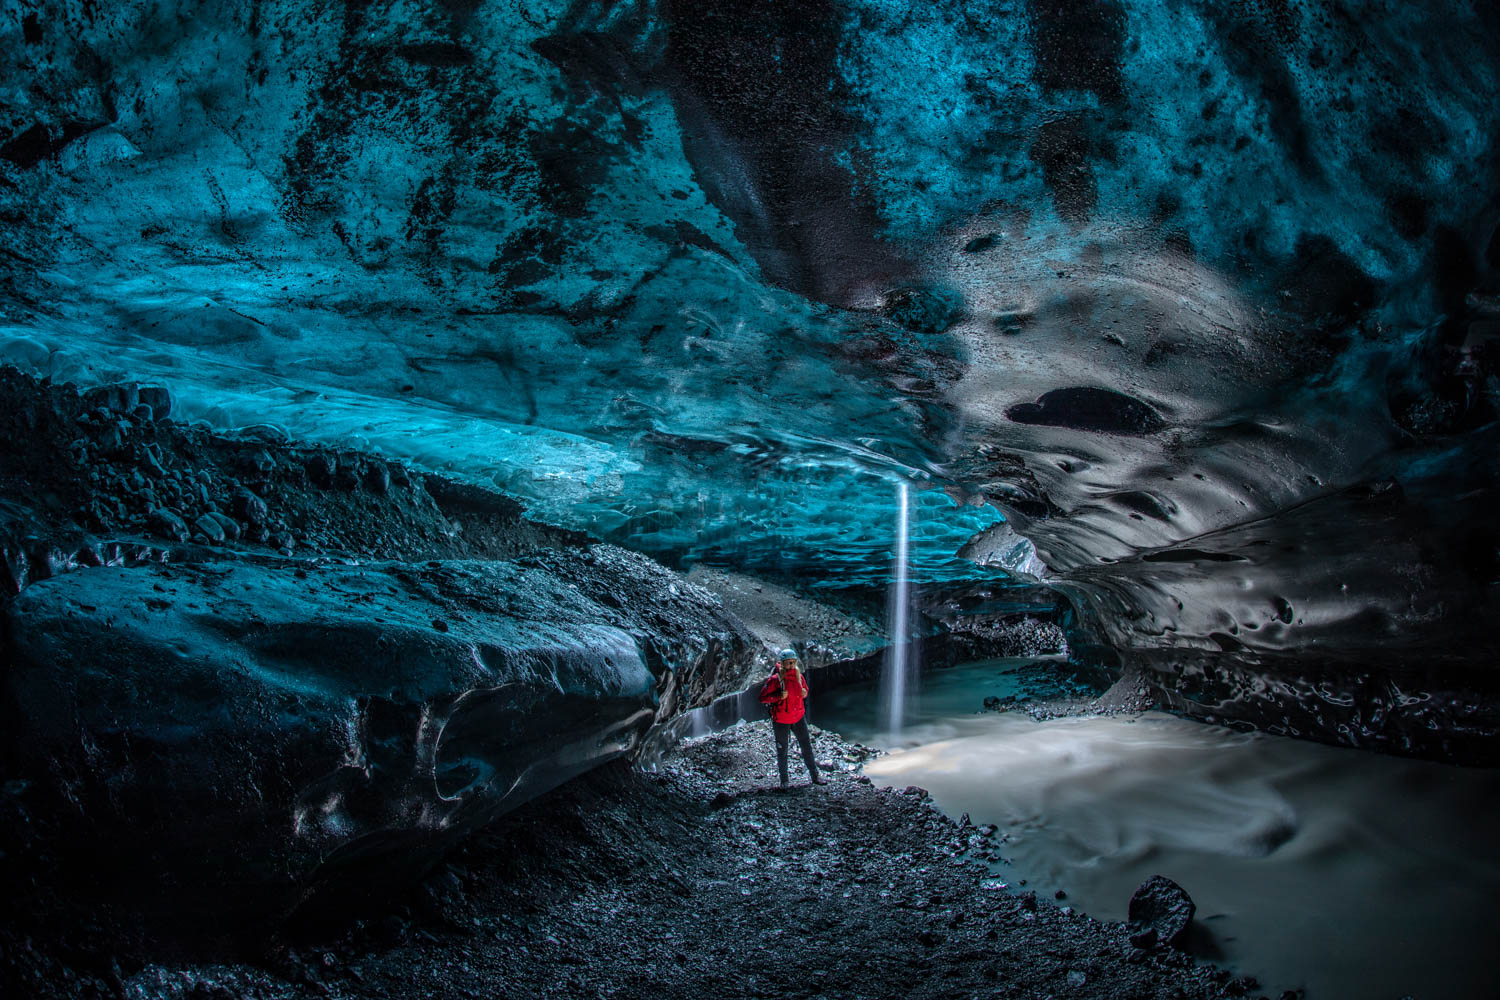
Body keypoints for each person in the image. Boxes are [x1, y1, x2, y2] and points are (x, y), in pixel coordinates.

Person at [759, 648, 826, 789]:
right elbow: (763, 697)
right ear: (782, 663)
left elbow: (804, 691)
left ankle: (815, 775)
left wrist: (804, 692)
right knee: (782, 751)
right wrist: (778, 696)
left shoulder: (798, 677)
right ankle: (784, 781)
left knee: (806, 747)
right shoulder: (775, 680)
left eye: (793, 662)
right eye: (788, 663)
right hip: (781, 720)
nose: (791, 665)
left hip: (798, 718)